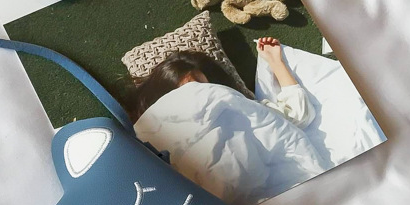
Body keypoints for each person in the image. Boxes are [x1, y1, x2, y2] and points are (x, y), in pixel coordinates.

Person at [130, 38, 316, 128]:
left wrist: (275, 61)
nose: (199, 97)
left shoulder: (239, 110)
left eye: (205, 89)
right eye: (189, 90)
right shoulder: (155, 135)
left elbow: (297, 117)